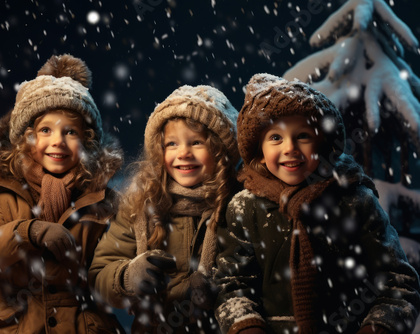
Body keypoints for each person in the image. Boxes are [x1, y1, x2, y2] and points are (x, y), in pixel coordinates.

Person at [214, 73, 420, 334]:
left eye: (302, 136)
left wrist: (377, 326)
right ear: (260, 151)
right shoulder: (245, 208)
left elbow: (397, 280)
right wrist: (246, 327)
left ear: (323, 145)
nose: (290, 148)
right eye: (275, 138)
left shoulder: (354, 201)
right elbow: (230, 282)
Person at [0, 54, 125, 333]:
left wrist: (126, 277)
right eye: (45, 130)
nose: (57, 142)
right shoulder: (0, 188)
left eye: (70, 132)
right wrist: (28, 232)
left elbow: (110, 267)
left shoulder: (103, 199)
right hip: (16, 323)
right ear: (27, 138)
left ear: (86, 142)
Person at [88, 85, 241, 333]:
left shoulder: (236, 205)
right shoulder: (141, 205)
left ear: (221, 150)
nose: (183, 153)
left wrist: (216, 289)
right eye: (172, 144)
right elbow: (100, 273)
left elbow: (251, 272)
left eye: (197, 142)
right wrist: (128, 277)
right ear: (159, 151)